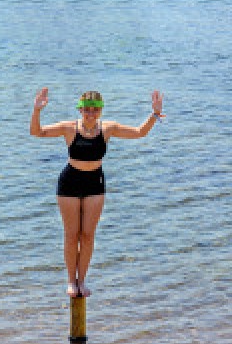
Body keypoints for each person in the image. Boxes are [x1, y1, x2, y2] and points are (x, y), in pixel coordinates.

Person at [30, 88, 165, 297]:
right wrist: (37, 110)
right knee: (71, 234)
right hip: (69, 183)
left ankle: (82, 281)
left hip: (95, 183)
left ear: (100, 110)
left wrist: (154, 114)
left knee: (87, 235)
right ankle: (70, 282)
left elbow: (139, 132)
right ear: (80, 110)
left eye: (95, 109)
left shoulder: (108, 128)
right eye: (86, 109)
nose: (90, 113)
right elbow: (36, 132)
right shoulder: (69, 127)